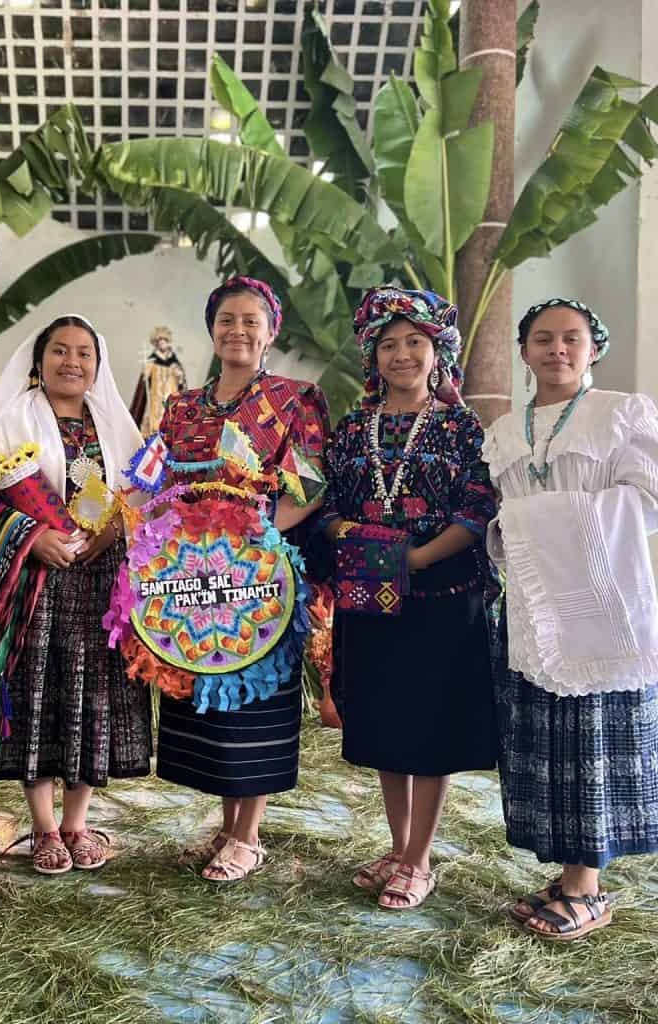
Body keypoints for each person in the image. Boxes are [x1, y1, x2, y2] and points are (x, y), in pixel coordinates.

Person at [318, 286, 496, 910]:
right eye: (388, 344)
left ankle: (420, 859)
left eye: (415, 342)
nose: (402, 354)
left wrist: (415, 559)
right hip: (370, 600)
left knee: (431, 728)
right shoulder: (350, 430)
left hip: (442, 598)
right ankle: (398, 848)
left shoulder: (462, 426)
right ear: (372, 356)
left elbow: (478, 506)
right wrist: (365, 547)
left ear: (437, 350)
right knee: (385, 724)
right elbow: (326, 505)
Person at [485, 298, 658, 940]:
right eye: (542, 338)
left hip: (602, 603)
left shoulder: (621, 413)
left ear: (594, 348)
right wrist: (518, 527)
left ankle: (588, 887)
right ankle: (565, 874)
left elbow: (646, 499)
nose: (557, 349)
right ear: (524, 352)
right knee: (546, 739)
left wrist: (539, 518)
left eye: (571, 338)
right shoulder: (506, 430)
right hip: (533, 605)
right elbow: (499, 511)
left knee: (591, 737)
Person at [0, 313, 151, 875]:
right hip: (35, 581)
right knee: (39, 692)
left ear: (98, 365)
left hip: (101, 583)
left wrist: (112, 532)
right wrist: (34, 538)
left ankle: (77, 824)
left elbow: (140, 498)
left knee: (93, 696)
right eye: (60, 350)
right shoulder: (13, 417)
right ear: (39, 361)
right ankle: (44, 828)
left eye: (84, 352)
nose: (72, 361)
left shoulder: (115, 424)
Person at [153, 276, 330, 883]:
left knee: (253, 695)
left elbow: (310, 481)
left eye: (251, 321)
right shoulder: (181, 406)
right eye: (227, 320)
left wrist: (256, 538)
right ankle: (227, 828)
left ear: (270, 332)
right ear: (211, 329)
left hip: (260, 572)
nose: (238, 331)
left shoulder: (295, 398)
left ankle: (248, 836)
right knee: (209, 692)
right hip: (191, 574)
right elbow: (157, 482)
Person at [129, 324, 186, 435]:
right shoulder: (152, 362)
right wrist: (146, 376)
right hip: (154, 402)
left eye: (164, 341)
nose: (162, 343)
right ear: (156, 344)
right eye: (159, 341)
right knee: (150, 426)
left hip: (169, 401)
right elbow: (142, 390)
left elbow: (182, 386)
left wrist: (180, 378)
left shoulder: (175, 364)